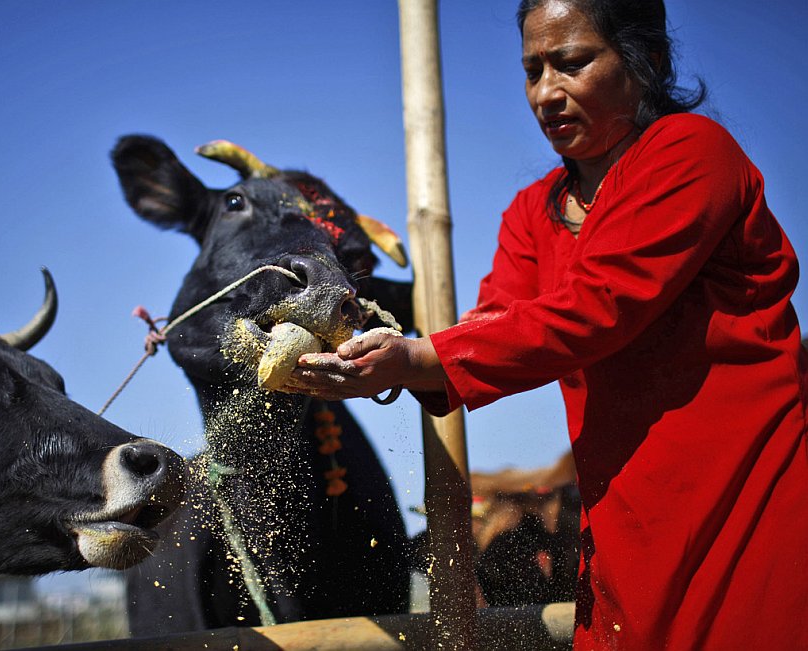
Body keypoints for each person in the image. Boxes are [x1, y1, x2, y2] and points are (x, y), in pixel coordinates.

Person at [285, 0, 808, 648]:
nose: (546, 93)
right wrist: (385, 347)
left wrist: (421, 359)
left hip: (744, 493)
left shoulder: (693, 155)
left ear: (650, 60)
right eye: (533, 70)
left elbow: (596, 306)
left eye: (572, 63)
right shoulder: (535, 212)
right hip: (620, 516)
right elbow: (500, 321)